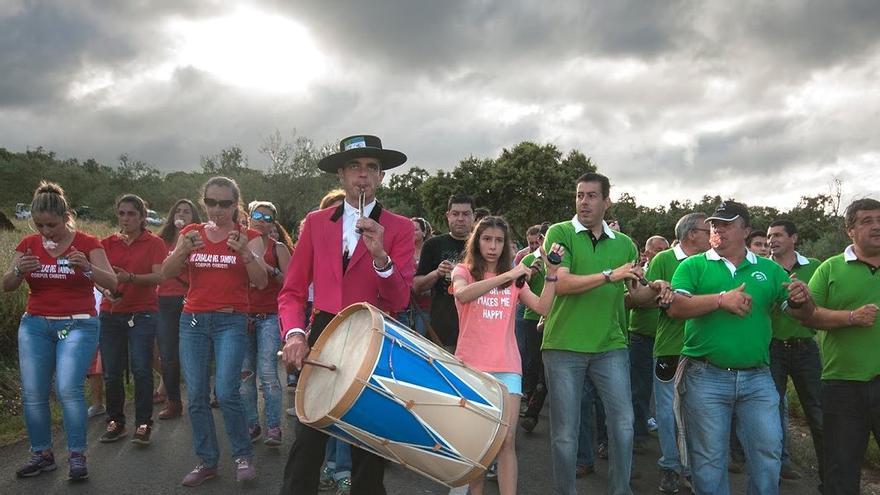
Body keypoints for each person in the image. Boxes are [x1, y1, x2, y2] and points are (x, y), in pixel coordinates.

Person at [278, 134, 415, 495]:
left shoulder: (400, 228)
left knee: (369, 448)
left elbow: (400, 299)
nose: (363, 175)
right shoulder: (316, 222)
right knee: (308, 439)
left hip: (376, 334)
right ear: (341, 175)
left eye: (372, 168)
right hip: (326, 330)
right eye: (355, 166)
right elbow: (292, 291)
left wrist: (381, 257)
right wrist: (294, 333)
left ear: (382, 177)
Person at [666, 201, 816, 495]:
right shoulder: (693, 265)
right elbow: (675, 307)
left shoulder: (769, 270)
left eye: (726, 223)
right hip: (705, 375)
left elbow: (801, 312)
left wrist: (802, 299)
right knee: (709, 460)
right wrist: (721, 300)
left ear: (746, 230)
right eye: (714, 224)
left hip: (757, 377)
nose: (717, 229)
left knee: (768, 453)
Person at [542, 172, 668, 495]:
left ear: (607, 201)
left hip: (611, 345)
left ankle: (620, 489)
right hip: (563, 345)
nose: (584, 201)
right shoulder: (560, 233)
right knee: (565, 434)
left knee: (624, 426)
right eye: (580, 195)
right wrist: (611, 275)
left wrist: (656, 290)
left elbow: (636, 296)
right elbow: (564, 285)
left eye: (591, 196)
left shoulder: (625, 244)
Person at [3, 181, 116, 480]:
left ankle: (77, 455)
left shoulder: (88, 243)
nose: (46, 232)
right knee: (34, 393)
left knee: (67, 388)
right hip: (36, 324)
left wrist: (87, 268)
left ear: (66, 217)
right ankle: (42, 454)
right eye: (39, 225)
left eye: (51, 225)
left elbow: (113, 283)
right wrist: (18, 271)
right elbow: (7, 286)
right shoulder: (28, 244)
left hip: (77, 323)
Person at [162, 176, 267, 486]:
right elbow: (165, 275)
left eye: (224, 204)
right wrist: (181, 250)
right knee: (195, 395)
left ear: (236, 205)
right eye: (211, 202)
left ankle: (242, 456)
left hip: (231, 321)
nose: (217, 210)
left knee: (225, 391)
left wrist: (245, 254)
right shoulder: (191, 233)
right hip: (193, 321)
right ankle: (207, 461)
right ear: (203, 202)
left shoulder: (248, 236)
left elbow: (261, 282)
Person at [451, 216, 563, 495]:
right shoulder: (463, 271)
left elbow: (543, 308)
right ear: (477, 242)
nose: (492, 246)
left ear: (506, 245)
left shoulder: (516, 281)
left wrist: (551, 274)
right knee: (476, 443)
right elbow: (463, 295)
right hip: (471, 367)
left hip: (507, 366)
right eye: (487, 239)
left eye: (499, 240)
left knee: (506, 441)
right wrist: (509, 275)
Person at [803, 198, 880, 494]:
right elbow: (810, 315)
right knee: (842, 470)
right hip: (843, 385)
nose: (876, 226)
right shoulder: (830, 268)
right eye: (867, 221)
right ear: (850, 230)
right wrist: (851, 317)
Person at [647, 212, 710, 493]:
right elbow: (642, 299)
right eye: (708, 230)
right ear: (691, 234)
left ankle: (693, 468)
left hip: (703, 348)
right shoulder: (663, 260)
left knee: (698, 413)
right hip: (670, 347)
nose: (713, 235)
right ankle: (670, 466)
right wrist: (660, 294)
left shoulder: (711, 263)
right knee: (666, 412)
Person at [97, 194, 167, 445]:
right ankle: (115, 422)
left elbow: (159, 277)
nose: (126, 218)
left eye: (131, 214)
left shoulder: (154, 243)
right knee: (112, 371)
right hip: (111, 312)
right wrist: (107, 291)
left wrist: (130, 278)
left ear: (142, 217)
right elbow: (99, 276)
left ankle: (144, 423)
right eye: (122, 213)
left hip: (143, 312)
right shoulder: (106, 243)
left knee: (141, 368)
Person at [766, 219, 823, 484]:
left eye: (777, 235)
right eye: (768, 236)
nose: (771, 240)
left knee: (819, 413)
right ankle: (776, 470)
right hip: (773, 349)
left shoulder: (815, 266)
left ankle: (830, 478)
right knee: (771, 412)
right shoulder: (763, 269)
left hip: (805, 348)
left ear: (794, 238)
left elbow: (823, 304)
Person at [240, 200, 290, 447]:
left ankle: (273, 427)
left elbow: (290, 285)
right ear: (248, 216)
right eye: (257, 214)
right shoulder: (235, 243)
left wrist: (269, 269)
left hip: (269, 316)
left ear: (273, 223)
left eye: (268, 217)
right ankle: (252, 424)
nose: (261, 219)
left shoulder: (278, 247)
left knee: (268, 372)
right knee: (246, 375)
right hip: (239, 317)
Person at [155, 199, 201, 420]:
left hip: (190, 299)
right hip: (164, 299)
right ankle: (174, 401)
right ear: (172, 215)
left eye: (187, 212)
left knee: (194, 351)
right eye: (178, 210)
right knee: (168, 353)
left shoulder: (199, 239)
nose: (182, 214)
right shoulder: (160, 241)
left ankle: (200, 398)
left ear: (194, 217)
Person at [413, 194, 476, 350]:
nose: (460, 218)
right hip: (442, 330)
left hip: (476, 331)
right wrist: (437, 273)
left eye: (466, 214)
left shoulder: (483, 245)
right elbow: (417, 287)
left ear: (474, 216)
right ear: (448, 216)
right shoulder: (433, 245)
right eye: (455, 214)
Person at [628, 235, 669, 450]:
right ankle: (637, 435)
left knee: (662, 391)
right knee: (640, 389)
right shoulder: (641, 273)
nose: (662, 252)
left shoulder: (672, 267)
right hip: (642, 338)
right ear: (647, 252)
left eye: (665, 248)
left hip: (664, 339)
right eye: (657, 249)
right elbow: (632, 299)